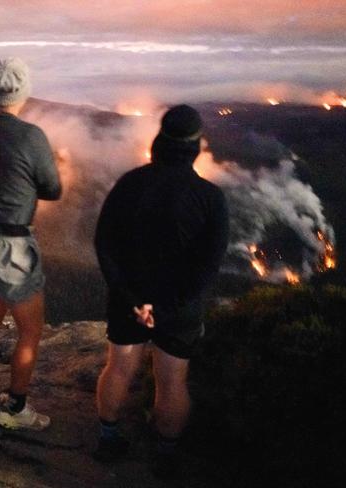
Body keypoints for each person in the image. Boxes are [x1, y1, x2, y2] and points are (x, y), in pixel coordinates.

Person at [93, 105, 229, 474]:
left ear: (159, 142)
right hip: (179, 308)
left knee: (119, 367)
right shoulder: (210, 198)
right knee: (172, 380)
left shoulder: (129, 184)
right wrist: (168, 310)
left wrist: (132, 300)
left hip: (128, 301)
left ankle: (108, 440)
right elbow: (208, 267)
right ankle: (166, 454)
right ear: (194, 147)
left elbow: (104, 244)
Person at [0, 58, 62, 431]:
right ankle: (16, 408)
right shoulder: (31, 136)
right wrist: (54, 164)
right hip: (13, 247)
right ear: (23, 91)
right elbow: (52, 189)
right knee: (31, 330)